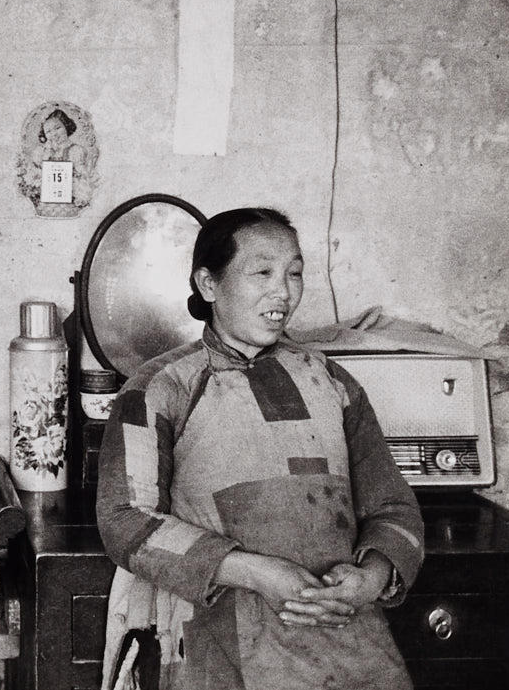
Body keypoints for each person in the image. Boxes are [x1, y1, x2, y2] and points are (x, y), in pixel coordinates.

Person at [95, 207, 423, 690]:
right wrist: (256, 572)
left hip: (342, 632)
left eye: (294, 273)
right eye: (263, 273)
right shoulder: (160, 387)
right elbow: (125, 519)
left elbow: (394, 507)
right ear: (208, 284)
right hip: (216, 637)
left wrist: (370, 578)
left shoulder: (331, 381)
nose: (283, 292)